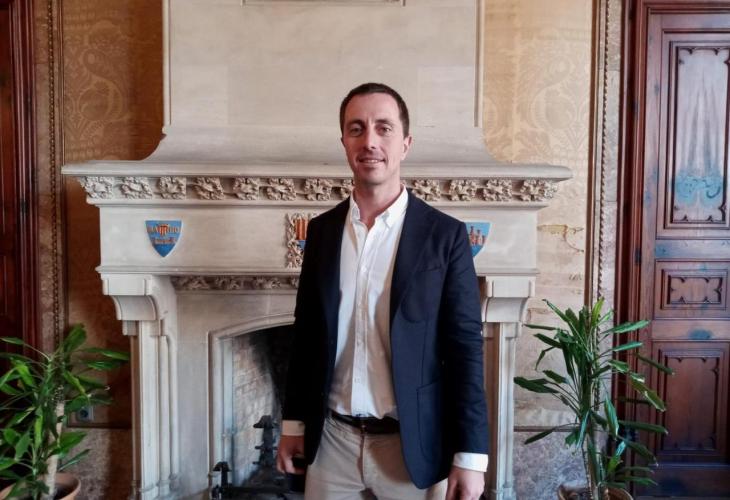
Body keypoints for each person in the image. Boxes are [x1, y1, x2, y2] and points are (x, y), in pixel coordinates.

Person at [276, 82, 489, 500]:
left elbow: (465, 347)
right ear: (344, 142)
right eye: (356, 129)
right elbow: (306, 337)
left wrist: (470, 456)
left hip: (411, 448)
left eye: (383, 128)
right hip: (331, 443)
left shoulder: (445, 237)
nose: (369, 141)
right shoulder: (321, 232)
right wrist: (293, 426)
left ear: (406, 143)